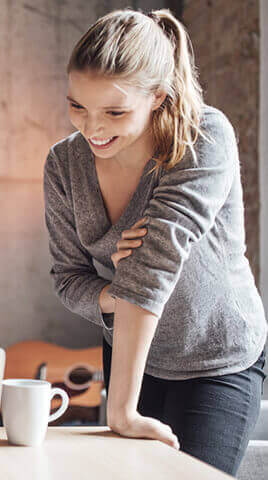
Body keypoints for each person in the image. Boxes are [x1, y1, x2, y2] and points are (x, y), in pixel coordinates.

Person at [43, 9, 267, 475]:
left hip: (218, 357)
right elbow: (68, 278)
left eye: (115, 111)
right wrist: (112, 293)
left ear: (157, 97)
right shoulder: (64, 164)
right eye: (78, 105)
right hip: (131, 354)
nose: (92, 128)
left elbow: (152, 269)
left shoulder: (203, 137)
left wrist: (120, 412)